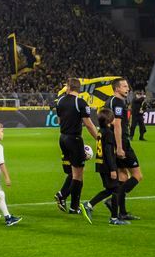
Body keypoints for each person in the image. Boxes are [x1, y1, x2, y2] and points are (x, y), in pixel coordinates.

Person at [54, 77, 100, 218]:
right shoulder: (80, 102)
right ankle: (66, 199)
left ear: (68, 87)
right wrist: (99, 139)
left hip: (63, 138)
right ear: (78, 88)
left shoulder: (60, 101)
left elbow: (60, 120)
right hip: (74, 139)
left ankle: (69, 201)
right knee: (78, 174)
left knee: (74, 173)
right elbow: (89, 124)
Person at [80, 105, 128, 225]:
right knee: (115, 189)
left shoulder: (101, 132)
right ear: (109, 121)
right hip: (107, 166)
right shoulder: (109, 134)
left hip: (100, 164)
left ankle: (90, 205)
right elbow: (108, 152)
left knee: (110, 189)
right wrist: (113, 169)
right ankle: (113, 218)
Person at [109, 79, 142, 221]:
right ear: (117, 89)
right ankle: (113, 201)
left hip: (112, 143)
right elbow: (117, 125)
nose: (127, 88)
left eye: (128, 86)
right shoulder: (118, 103)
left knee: (123, 177)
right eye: (124, 86)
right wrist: (120, 147)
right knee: (137, 176)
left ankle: (122, 212)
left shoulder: (109, 101)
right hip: (121, 143)